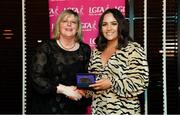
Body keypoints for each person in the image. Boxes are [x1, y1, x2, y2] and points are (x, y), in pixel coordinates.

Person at [86, 8, 149, 115]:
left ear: (121, 25)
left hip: (125, 111)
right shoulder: (96, 52)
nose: (109, 28)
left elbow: (141, 81)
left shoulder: (133, 49)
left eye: (114, 23)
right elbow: (94, 82)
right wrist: (84, 91)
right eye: (104, 24)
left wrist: (112, 83)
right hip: (99, 111)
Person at [29, 9, 91, 114]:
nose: (69, 24)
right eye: (65, 21)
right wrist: (64, 89)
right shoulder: (46, 47)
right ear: (59, 25)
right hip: (48, 108)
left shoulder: (85, 49)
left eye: (73, 22)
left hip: (75, 108)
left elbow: (86, 79)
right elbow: (36, 77)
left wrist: (81, 92)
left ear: (77, 28)